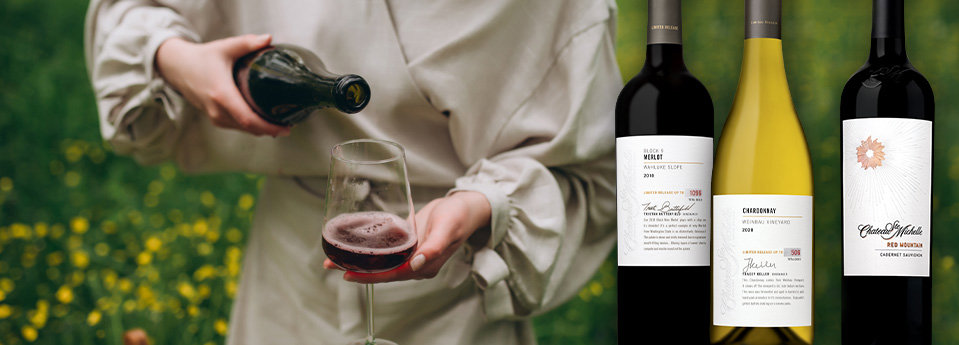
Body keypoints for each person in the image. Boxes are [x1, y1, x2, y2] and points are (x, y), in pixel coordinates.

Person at [85, 0, 620, 344]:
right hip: (289, 282)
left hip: (452, 302)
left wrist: (482, 206)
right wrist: (174, 57)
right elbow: (132, 13)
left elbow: (592, 175)